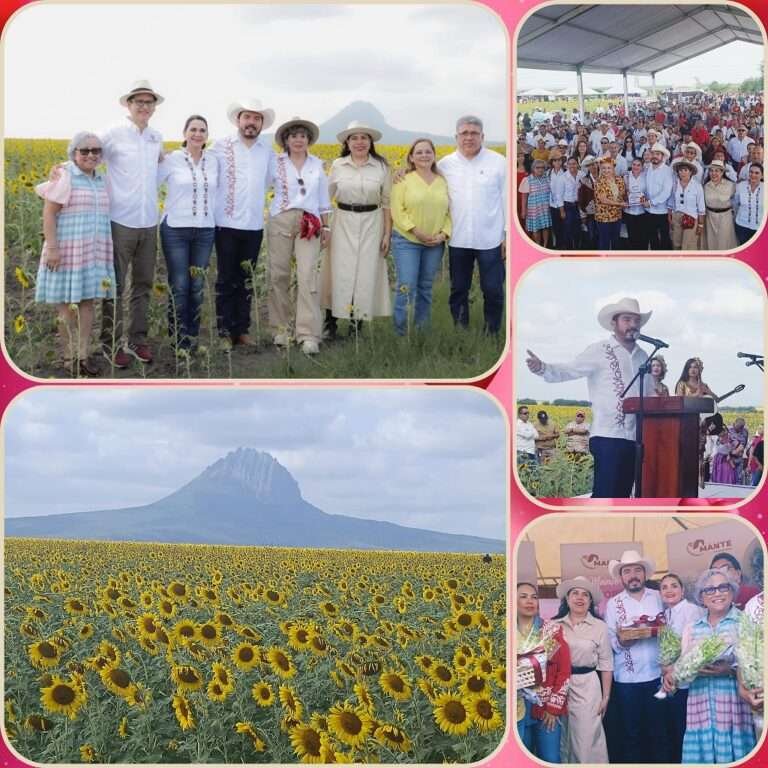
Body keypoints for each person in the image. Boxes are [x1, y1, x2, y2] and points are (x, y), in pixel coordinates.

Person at [526, 297, 653, 497]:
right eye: (627, 319)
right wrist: (543, 368)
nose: (633, 325)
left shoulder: (644, 356)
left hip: (635, 438)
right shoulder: (600, 351)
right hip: (608, 436)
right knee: (605, 495)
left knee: (623, 496)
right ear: (614, 323)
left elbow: (650, 395)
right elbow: (570, 369)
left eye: (636, 321)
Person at [35, 132, 115, 377]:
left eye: (95, 150)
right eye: (84, 150)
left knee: (88, 303)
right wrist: (53, 249)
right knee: (67, 309)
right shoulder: (65, 175)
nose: (91, 154)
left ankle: (83, 356)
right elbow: (49, 214)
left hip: (92, 251)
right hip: (66, 250)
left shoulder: (101, 178)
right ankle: (68, 357)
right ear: (74, 153)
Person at [100, 80, 164, 368]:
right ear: (128, 104)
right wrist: (61, 171)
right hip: (120, 220)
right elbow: (85, 154)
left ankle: (138, 340)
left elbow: (163, 166)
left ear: (153, 107)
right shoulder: (113, 134)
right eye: (138, 101)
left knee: (143, 284)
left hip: (149, 221)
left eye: (148, 102)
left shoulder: (155, 137)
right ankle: (111, 344)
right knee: (114, 284)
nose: (144, 106)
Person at [667, 568, 757, 763]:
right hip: (699, 709)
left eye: (723, 587)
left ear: (732, 591)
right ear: (701, 597)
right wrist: (677, 675)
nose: (717, 593)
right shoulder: (692, 628)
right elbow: (683, 671)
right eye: (710, 590)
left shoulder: (744, 622)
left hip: (733, 709)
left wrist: (731, 670)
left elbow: (756, 669)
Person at [211, 98, 275, 349]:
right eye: (247, 117)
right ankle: (226, 331)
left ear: (261, 124)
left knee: (246, 279)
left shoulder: (266, 151)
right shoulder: (221, 146)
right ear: (238, 120)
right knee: (226, 279)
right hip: (226, 223)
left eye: (257, 118)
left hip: (254, 225)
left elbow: (275, 180)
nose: (251, 122)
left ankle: (243, 330)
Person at [266, 117, 331, 356]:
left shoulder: (317, 165)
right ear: (286, 140)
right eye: (293, 135)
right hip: (281, 219)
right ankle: (281, 329)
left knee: (307, 276)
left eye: (302, 135)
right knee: (279, 275)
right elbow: (259, 186)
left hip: (309, 223)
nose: (298, 139)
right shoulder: (275, 163)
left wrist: (326, 228)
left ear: (308, 140)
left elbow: (324, 200)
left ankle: (308, 333)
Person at [322, 121, 391, 340]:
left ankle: (356, 327)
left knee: (365, 273)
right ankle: (329, 324)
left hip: (372, 222)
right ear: (347, 143)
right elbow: (325, 198)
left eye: (364, 137)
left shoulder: (382, 167)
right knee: (338, 271)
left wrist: (387, 233)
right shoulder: (338, 165)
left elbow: (388, 202)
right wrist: (323, 225)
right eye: (354, 138)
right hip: (342, 221)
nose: (359, 142)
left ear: (371, 142)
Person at [438, 116, 506, 336]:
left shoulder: (498, 162)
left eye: (474, 133)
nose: (469, 137)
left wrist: (507, 236)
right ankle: (461, 332)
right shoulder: (444, 165)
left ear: (482, 136)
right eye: (464, 133)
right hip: (458, 239)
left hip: (491, 239)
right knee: (458, 289)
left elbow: (506, 199)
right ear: (456, 137)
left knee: (493, 290)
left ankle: (492, 332)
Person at [157, 115, 218, 353]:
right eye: (193, 129)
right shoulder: (172, 159)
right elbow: (147, 180)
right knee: (180, 284)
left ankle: (192, 336)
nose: (197, 134)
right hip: (175, 229)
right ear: (184, 133)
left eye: (202, 130)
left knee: (197, 284)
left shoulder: (213, 160)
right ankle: (178, 338)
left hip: (205, 229)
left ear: (207, 135)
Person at [604, 550, 665, 764]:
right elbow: (610, 639)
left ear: (645, 574)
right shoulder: (614, 604)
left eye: (637, 570)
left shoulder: (659, 597)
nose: (633, 575)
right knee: (631, 735)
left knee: (659, 734)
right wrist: (622, 642)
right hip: (627, 682)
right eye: (627, 571)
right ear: (621, 577)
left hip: (659, 677)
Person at [389, 138, 450, 336]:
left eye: (428, 152)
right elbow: (397, 210)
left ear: (434, 155)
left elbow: (449, 212)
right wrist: (416, 231)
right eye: (419, 152)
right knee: (407, 286)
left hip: (435, 243)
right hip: (408, 242)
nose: (424, 155)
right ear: (411, 157)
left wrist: (443, 234)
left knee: (425, 287)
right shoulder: (402, 180)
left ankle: (422, 331)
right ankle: (402, 334)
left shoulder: (442, 181)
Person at [552, 576, 613, 764]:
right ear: (567, 599)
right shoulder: (554, 626)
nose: (580, 598)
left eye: (585, 595)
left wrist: (606, 697)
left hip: (588, 687)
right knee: (564, 737)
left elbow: (606, 664)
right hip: (559, 687)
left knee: (586, 739)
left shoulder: (599, 627)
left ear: (590, 601)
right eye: (575, 593)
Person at [516, 582, 570, 763]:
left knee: (550, 758)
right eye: (523, 596)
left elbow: (563, 670)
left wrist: (554, 709)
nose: (530, 601)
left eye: (534, 597)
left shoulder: (551, 631)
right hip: (516, 709)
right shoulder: (505, 632)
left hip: (546, 708)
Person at [658, 573, 705, 763]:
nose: (669, 590)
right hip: (670, 682)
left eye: (674, 586)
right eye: (664, 587)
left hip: (686, 684)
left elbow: (694, 650)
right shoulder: (666, 614)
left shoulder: (692, 611)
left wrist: (672, 671)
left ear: (683, 590)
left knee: (685, 731)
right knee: (674, 732)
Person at [669, 159, 705, 251]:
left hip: (691, 218)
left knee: (688, 246)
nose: (683, 173)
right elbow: (671, 201)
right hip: (677, 217)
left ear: (691, 172)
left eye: (685, 170)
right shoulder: (675, 184)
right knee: (676, 243)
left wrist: (700, 225)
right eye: (680, 170)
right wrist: (670, 216)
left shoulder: (697, 186)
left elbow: (701, 207)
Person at [642, 144, 674, 249]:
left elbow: (666, 192)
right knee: (652, 238)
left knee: (664, 239)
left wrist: (651, 202)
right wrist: (644, 197)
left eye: (658, 154)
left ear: (662, 156)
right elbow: (646, 186)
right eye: (653, 154)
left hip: (662, 212)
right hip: (649, 211)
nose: (655, 156)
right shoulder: (649, 168)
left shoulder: (667, 171)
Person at [703, 160, 737, 250]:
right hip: (709, 218)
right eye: (711, 170)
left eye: (717, 171)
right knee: (711, 242)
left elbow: (737, 202)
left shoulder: (731, 185)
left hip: (725, 218)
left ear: (722, 172)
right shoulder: (706, 186)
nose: (713, 173)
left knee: (724, 242)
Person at [594, 157, 626, 250]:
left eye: (609, 168)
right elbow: (603, 200)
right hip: (604, 217)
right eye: (604, 168)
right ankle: (603, 263)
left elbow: (623, 194)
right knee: (604, 242)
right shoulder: (599, 182)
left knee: (616, 241)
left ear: (613, 168)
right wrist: (620, 204)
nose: (606, 170)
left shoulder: (619, 179)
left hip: (617, 215)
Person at [550, 156, 581, 250]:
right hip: (567, 206)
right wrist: (562, 211)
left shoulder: (581, 174)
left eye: (574, 163)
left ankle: (577, 249)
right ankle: (569, 249)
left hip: (578, 206)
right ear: (567, 165)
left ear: (578, 164)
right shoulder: (562, 177)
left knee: (577, 229)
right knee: (567, 230)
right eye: (570, 164)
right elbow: (559, 196)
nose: (572, 165)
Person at [519, 160, 551, 248]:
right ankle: (538, 246)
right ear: (533, 169)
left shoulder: (547, 178)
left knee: (546, 227)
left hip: (545, 208)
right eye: (538, 167)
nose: (540, 169)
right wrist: (523, 211)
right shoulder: (527, 179)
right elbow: (524, 197)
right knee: (535, 229)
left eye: (542, 167)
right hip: (534, 209)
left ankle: (545, 245)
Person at [733, 163, 763, 245]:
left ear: (762, 175)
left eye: (757, 173)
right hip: (741, 225)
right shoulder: (740, 186)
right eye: (751, 172)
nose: (753, 175)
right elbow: (735, 204)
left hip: (760, 228)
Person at [624, 157, 650, 250]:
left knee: (643, 238)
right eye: (634, 164)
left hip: (642, 212)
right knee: (631, 237)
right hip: (629, 211)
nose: (636, 167)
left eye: (638, 165)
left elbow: (648, 193)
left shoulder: (646, 176)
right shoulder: (626, 176)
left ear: (642, 166)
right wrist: (625, 198)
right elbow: (622, 193)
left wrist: (645, 200)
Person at [577, 156, 599, 248]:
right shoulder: (583, 180)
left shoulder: (603, 178)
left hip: (603, 213)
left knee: (602, 236)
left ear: (597, 165)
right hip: (590, 214)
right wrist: (583, 215)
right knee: (592, 236)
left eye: (594, 164)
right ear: (588, 167)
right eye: (590, 165)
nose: (593, 166)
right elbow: (581, 199)